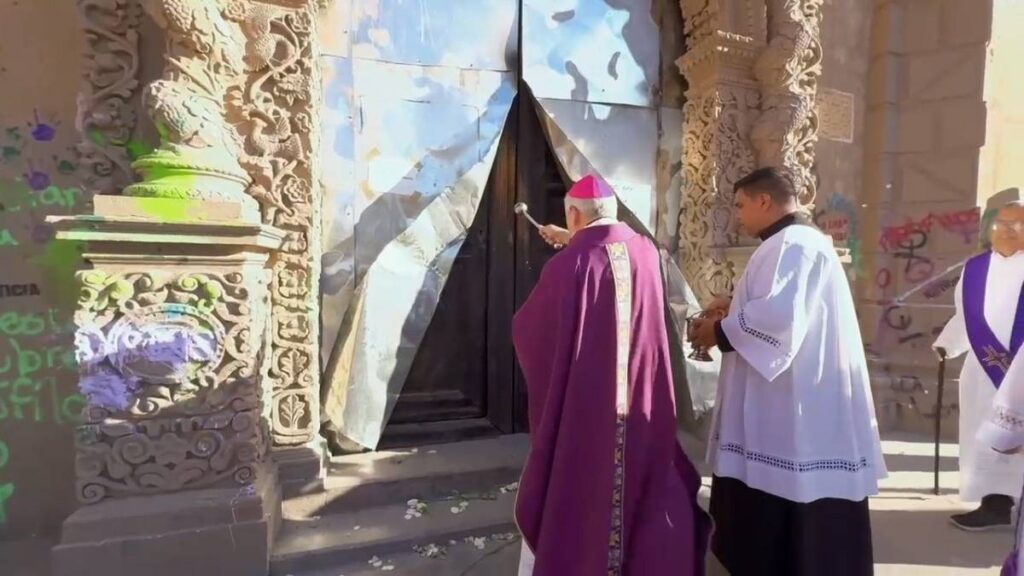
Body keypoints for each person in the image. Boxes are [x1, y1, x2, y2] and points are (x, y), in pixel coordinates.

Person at [689, 166, 887, 576]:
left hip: (795, 404)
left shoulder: (792, 243)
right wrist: (733, 300)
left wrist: (716, 332)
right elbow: (782, 304)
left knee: (787, 513)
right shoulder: (794, 242)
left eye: (742, 205)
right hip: (799, 396)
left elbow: (779, 318)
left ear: (765, 201)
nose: (739, 215)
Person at [512, 174, 711, 576]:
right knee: (641, 488)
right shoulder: (648, 253)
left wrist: (570, 249)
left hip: (588, 413)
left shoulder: (567, 266)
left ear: (572, 213)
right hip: (643, 404)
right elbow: (609, 257)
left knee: (587, 493)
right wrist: (574, 241)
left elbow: (530, 332)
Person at [933, 198, 1024, 531]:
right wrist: (948, 345)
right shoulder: (975, 269)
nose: (1007, 230)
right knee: (985, 436)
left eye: (1018, 224)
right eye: (1001, 223)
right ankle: (994, 504)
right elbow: (966, 317)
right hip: (984, 372)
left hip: (1022, 371)